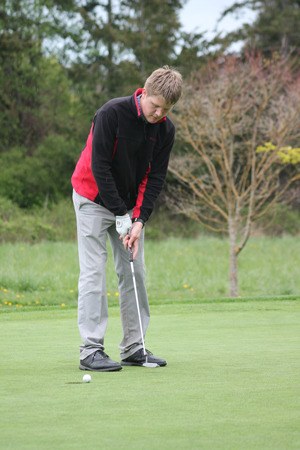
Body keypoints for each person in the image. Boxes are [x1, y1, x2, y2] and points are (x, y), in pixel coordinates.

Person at [71, 66, 183, 372]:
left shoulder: (165, 130)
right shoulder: (111, 114)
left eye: (166, 109)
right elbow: (100, 167)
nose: (159, 113)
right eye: (155, 105)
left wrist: (139, 220)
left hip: (129, 208)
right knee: (94, 272)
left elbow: (155, 177)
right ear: (143, 92)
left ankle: (135, 347)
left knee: (134, 272)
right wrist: (121, 214)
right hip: (92, 197)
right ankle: (90, 350)